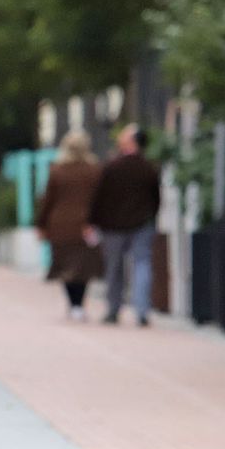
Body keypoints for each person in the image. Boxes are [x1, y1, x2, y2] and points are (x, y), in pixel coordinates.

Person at [87, 124, 161, 326]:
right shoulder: (149, 168)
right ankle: (142, 310)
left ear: (131, 142)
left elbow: (98, 197)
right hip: (142, 224)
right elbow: (156, 199)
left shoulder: (112, 167)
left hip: (113, 226)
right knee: (142, 264)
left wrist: (92, 221)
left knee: (114, 267)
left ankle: (113, 309)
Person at [37, 130, 104, 320]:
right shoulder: (94, 170)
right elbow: (100, 199)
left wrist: (41, 224)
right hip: (86, 225)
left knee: (65, 266)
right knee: (83, 267)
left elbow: (47, 200)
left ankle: (73, 304)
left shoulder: (57, 170)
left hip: (59, 225)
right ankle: (79, 305)